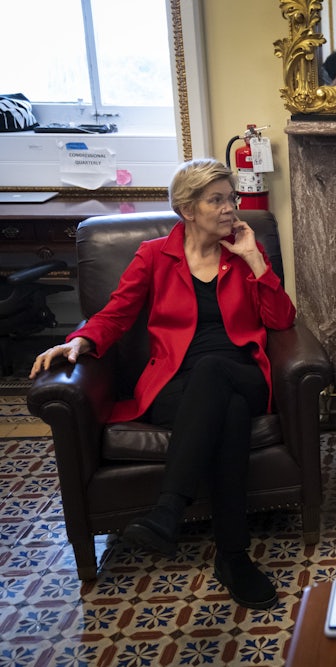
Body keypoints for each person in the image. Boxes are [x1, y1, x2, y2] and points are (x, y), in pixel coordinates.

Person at [29, 159, 296, 610]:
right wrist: (80, 341)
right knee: (228, 413)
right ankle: (233, 557)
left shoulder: (244, 252)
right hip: (175, 385)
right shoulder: (154, 256)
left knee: (214, 371)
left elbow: (281, 320)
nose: (230, 208)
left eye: (231, 198)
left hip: (242, 373)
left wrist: (254, 260)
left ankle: (169, 508)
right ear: (188, 209)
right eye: (217, 200)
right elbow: (116, 313)